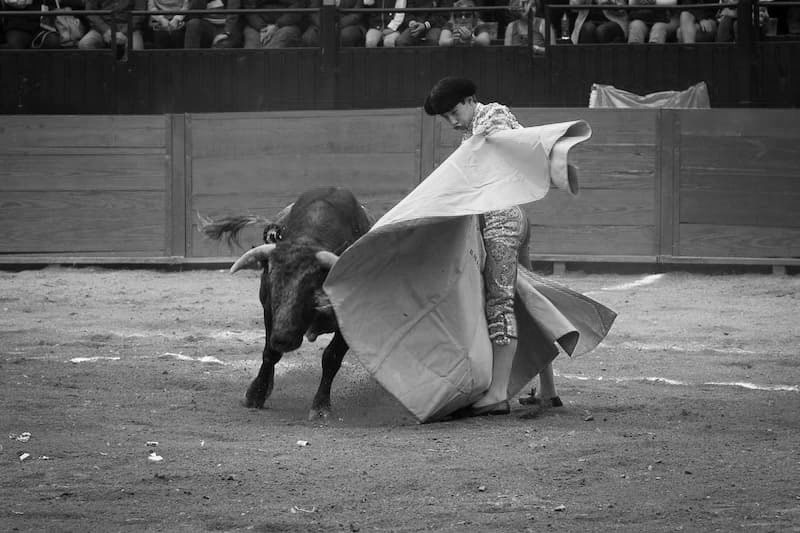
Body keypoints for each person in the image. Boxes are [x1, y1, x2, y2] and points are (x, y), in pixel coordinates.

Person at [423, 77, 561, 416]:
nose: (452, 121)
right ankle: (549, 389)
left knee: (500, 304)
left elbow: (499, 144)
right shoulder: (471, 132)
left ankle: (498, 393)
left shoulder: (491, 115)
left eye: (454, 112)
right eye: (446, 118)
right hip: (511, 217)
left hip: (501, 220)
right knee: (523, 302)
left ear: (471, 100)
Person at [79, 0, 144, 50]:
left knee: (135, 49)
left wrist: (124, 32)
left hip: (130, 29)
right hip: (103, 27)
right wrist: (106, 30)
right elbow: (91, 11)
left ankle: (128, 68)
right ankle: (99, 67)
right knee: (85, 44)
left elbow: (140, 13)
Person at [239, 0, 306, 48]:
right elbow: (249, 9)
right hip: (256, 25)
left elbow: (299, 5)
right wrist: (262, 28)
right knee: (251, 43)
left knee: (282, 38)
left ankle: (263, 65)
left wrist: (277, 26)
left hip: (286, 24)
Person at [302, 0, 366, 47]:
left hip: (349, 24)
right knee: (309, 37)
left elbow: (356, 14)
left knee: (346, 36)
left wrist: (337, 24)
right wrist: (324, 24)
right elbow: (313, 11)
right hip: (323, 22)